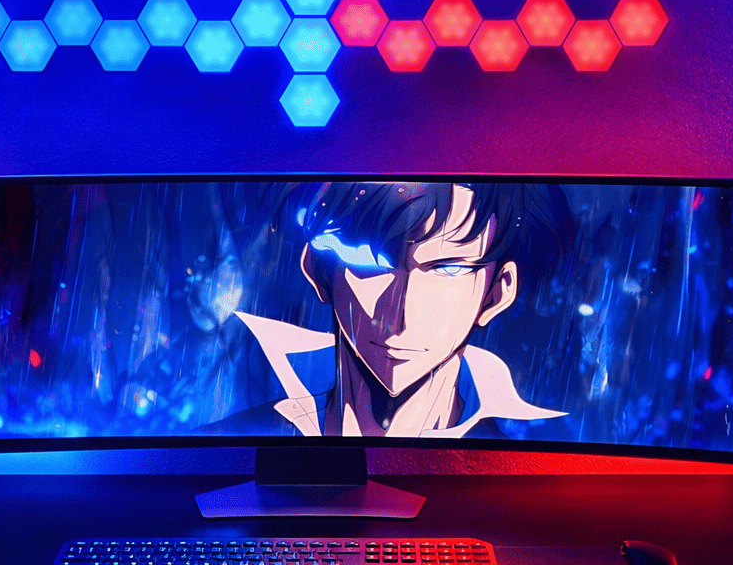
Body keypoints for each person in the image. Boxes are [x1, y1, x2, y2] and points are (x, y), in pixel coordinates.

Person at [210, 182, 565, 438]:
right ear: (319, 271)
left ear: (496, 293)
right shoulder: (234, 443)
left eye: (448, 268)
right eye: (372, 264)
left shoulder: (520, 480)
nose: (402, 315)